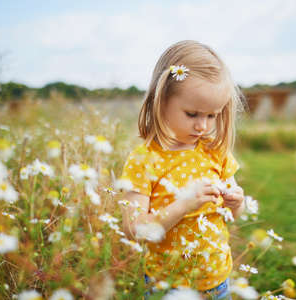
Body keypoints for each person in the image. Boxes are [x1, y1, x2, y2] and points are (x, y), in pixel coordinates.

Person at [117, 40, 245, 299]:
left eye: (212, 116)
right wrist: (184, 204)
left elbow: (235, 214)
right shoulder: (144, 160)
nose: (203, 126)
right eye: (192, 114)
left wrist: (236, 203)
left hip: (218, 281)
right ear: (161, 101)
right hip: (168, 286)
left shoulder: (215, 152)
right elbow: (134, 228)